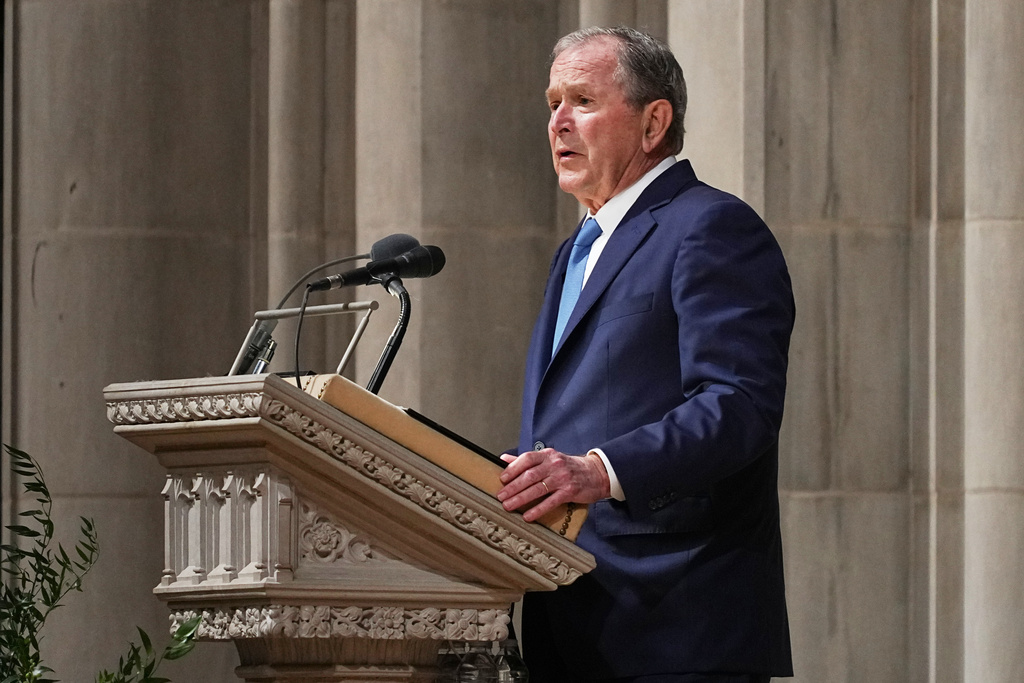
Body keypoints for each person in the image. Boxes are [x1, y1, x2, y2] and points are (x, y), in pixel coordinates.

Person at [496, 27, 795, 683]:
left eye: (582, 100)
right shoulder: (575, 250)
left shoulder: (710, 226)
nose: (558, 122)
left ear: (654, 121)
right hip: (570, 618)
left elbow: (738, 405)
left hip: (676, 628)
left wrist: (599, 470)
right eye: (552, 103)